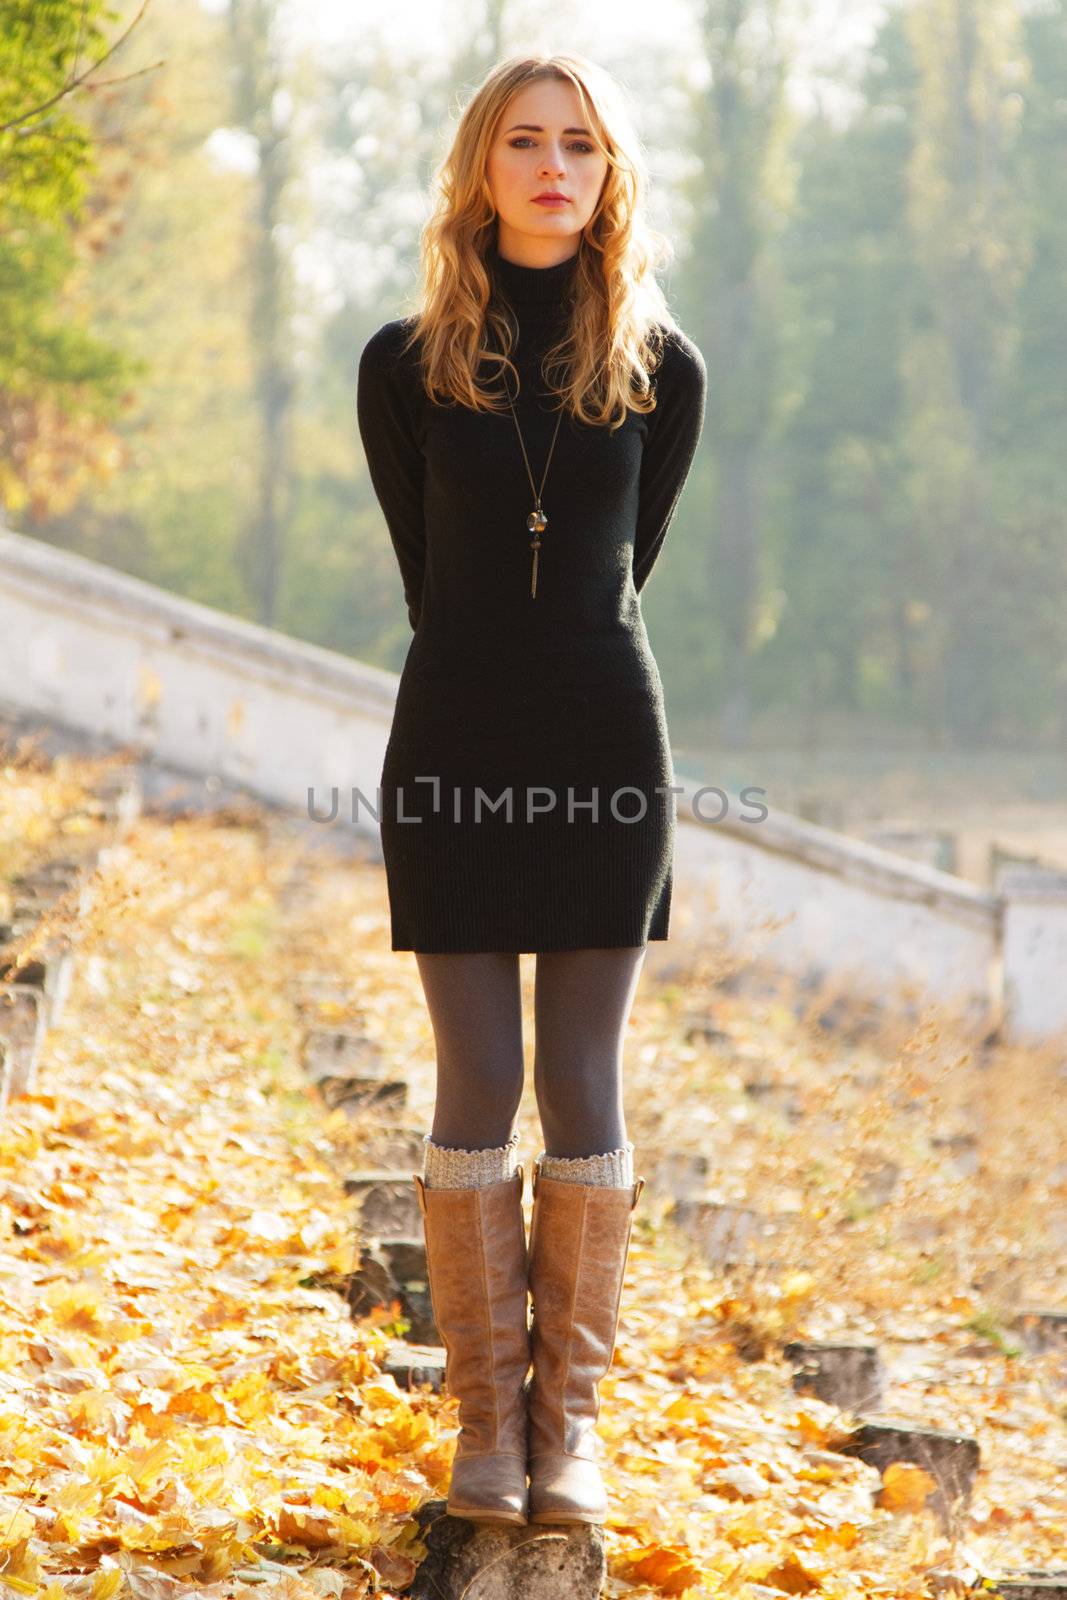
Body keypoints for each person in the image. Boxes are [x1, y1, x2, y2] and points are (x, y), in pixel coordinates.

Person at [356, 51, 706, 1528]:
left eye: (579, 143)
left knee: (580, 1088)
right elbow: (432, 579)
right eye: (524, 141)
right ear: (479, 168)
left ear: (610, 170)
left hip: (605, 755)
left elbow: (625, 575)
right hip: (454, 747)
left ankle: (569, 1439)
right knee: (476, 1085)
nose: (553, 165)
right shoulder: (405, 360)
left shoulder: (659, 369)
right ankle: (485, 1431)